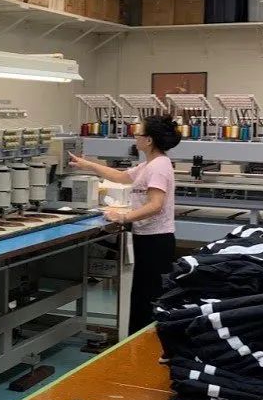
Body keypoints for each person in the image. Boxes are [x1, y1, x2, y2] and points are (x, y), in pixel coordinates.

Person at [68, 114, 180, 336]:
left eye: (138, 133)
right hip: (148, 237)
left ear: (149, 140)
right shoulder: (150, 164)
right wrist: (87, 163)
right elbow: (121, 177)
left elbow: (156, 205)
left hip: (156, 241)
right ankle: (137, 341)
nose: (135, 137)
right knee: (142, 295)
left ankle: (143, 344)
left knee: (148, 297)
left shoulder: (158, 167)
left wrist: (123, 218)